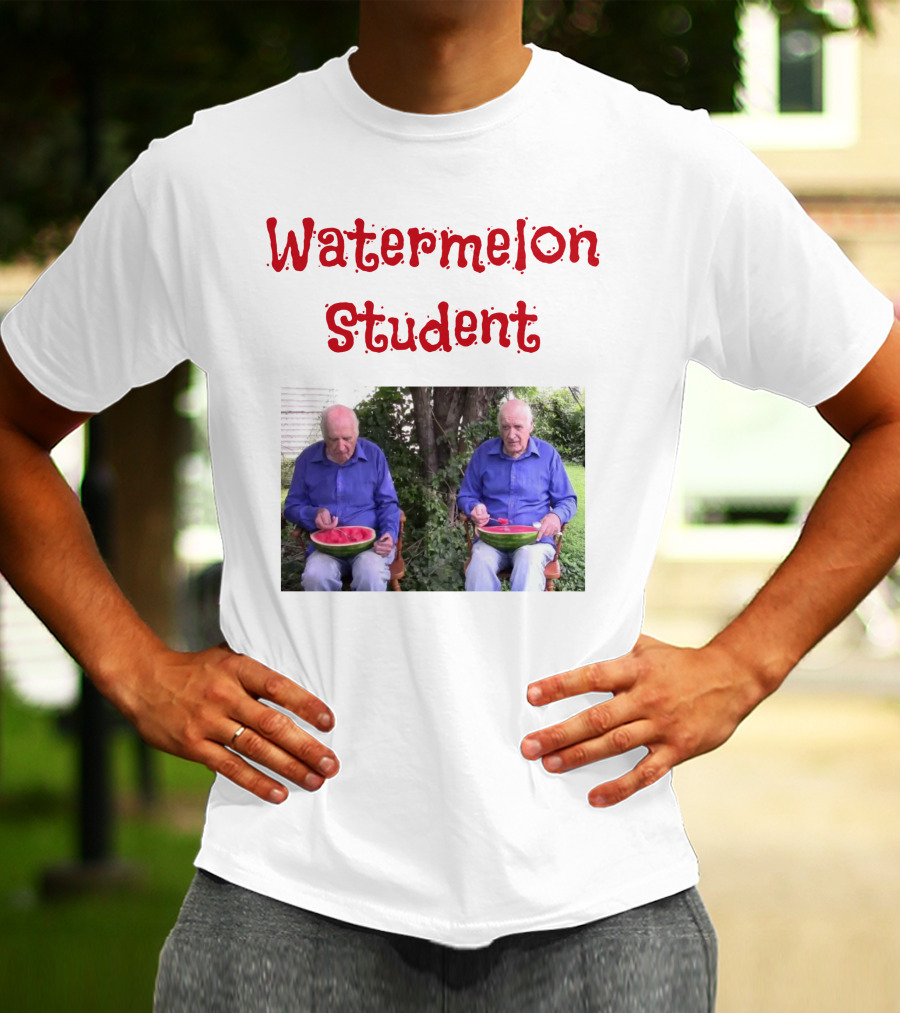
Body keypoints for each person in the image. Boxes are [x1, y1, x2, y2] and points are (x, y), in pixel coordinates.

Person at [0, 1, 899, 1009]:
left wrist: (744, 663)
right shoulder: (205, 180)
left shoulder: (673, 170)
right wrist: (135, 668)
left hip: (597, 908)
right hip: (286, 896)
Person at [458, 398, 577, 590]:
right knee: (478, 564)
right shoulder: (483, 453)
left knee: (528, 560)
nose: (511, 434)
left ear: (531, 426)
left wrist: (556, 516)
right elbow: (465, 495)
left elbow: (568, 500)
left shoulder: (548, 455)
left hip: (534, 542)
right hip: (491, 540)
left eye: (518, 427)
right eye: (505, 427)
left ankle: (522, 618)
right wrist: (473, 507)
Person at [283, 404, 399, 592]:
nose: (341, 447)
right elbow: (291, 506)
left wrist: (389, 534)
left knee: (370, 574)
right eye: (333, 439)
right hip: (325, 549)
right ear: (323, 436)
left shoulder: (374, 455)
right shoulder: (307, 460)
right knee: (315, 577)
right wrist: (313, 514)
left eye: (347, 439)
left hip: (369, 546)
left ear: (357, 433)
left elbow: (388, 503)